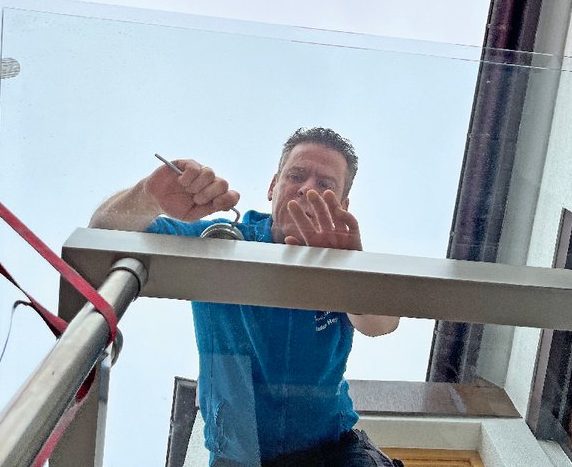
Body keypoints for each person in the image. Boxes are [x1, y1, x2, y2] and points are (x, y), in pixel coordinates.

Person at [91, 128, 401, 466]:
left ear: (342, 205)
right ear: (272, 187)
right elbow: (103, 236)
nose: (308, 189)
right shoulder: (222, 242)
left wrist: (349, 277)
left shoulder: (343, 260)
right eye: (296, 176)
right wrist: (148, 196)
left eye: (325, 184)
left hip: (334, 452)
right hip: (237, 457)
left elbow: (382, 323)